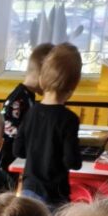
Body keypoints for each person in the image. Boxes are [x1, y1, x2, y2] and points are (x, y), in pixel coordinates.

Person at [13, 42, 83, 207]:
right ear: (73, 87)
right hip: (55, 195)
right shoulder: (69, 119)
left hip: (29, 190)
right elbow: (72, 162)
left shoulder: (31, 112)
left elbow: (18, 151)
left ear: (42, 79)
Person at [0, 42, 54, 170]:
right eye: (52, 80)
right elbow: (8, 126)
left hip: (18, 155)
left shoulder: (28, 95)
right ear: (42, 76)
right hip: (8, 157)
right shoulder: (19, 98)